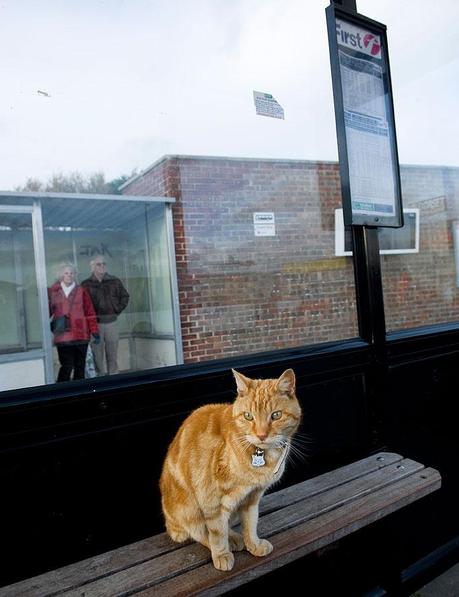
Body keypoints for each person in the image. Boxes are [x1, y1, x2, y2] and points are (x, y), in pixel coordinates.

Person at [48, 263, 100, 382]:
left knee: (80, 366)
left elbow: (89, 312)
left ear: (75, 275)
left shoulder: (81, 291)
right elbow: (47, 311)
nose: (69, 275)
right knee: (67, 365)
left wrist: (94, 330)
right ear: (61, 275)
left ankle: (79, 392)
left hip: (81, 334)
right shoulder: (54, 291)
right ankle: (61, 392)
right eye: (66, 273)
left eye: (72, 273)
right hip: (63, 337)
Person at [82, 255, 129, 376]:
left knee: (112, 354)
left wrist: (116, 310)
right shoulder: (86, 284)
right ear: (92, 267)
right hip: (95, 325)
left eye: (104, 264)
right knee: (97, 356)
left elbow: (125, 296)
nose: (102, 266)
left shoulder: (114, 281)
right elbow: (82, 305)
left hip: (112, 323)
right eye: (98, 264)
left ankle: (113, 378)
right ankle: (100, 379)